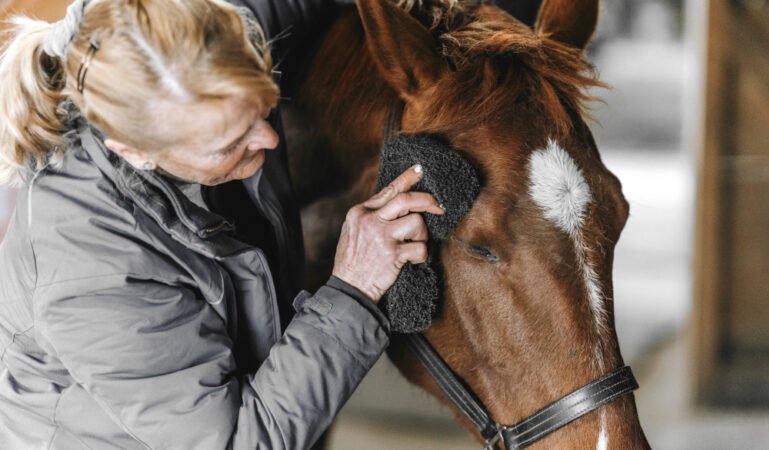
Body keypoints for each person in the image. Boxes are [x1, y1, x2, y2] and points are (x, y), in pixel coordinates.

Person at [0, 0, 444, 448]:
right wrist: (354, 288)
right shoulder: (92, 271)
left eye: (265, 106)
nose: (269, 137)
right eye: (229, 143)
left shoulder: (220, 39)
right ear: (135, 152)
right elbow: (239, 441)